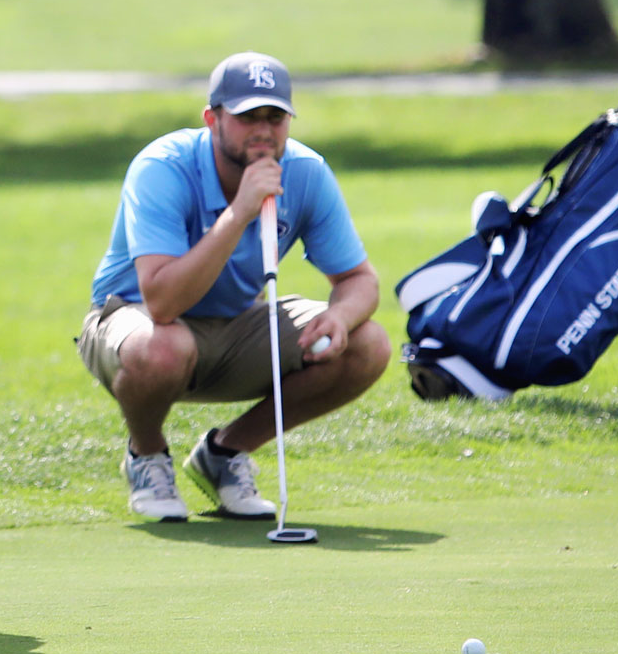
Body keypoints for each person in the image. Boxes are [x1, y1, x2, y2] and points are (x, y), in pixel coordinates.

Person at [78, 52, 391, 521]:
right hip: (134, 325)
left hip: (233, 327)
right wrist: (240, 212)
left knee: (368, 343)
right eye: (247, 117)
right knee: (164, 345)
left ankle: (224, 454)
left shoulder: (305, 171)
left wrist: (341, 316)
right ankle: (146, 456)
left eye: (275, 116)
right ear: (212, 118)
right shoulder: (162, 166)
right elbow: (161, 302)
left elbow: (359, 280)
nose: (264, 130)